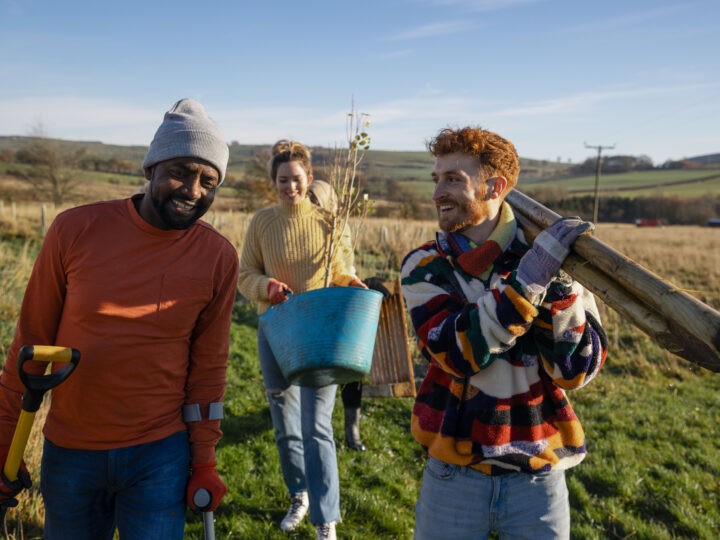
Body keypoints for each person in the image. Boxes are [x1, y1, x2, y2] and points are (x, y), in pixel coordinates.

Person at [0, 98, 239, 539]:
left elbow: (208, 368)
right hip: (72, 449)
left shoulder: (218, 257)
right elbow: (29, 343)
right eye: (180, 172)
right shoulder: (75, 230)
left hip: (160, 453)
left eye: (209, 180)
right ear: (150, 169)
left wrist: (203, 460)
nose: (193, 190)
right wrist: (3, 444)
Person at [400, 126, 608, 539]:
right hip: (454, 478)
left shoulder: (552, 259)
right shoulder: (424, 266)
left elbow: (576, 371)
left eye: (453, 180)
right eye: (436, 179)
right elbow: (460, 353)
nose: (438, 192)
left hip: (538, 477)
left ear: (495, 187)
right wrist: (527, 284)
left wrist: (561, 288)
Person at [237, 141, 364, 540]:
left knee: (317, 428)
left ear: (309, 180)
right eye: (282, 180)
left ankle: (326, 517)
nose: (289, 186)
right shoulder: (261, 223)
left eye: (296, 179)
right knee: (285, 425)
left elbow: (341, 270)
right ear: (273, 182)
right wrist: (266, 286)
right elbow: (244, 277)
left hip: (319, 334)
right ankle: (299, 494)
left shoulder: (330, 221)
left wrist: (351, 282)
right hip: (275, 331)